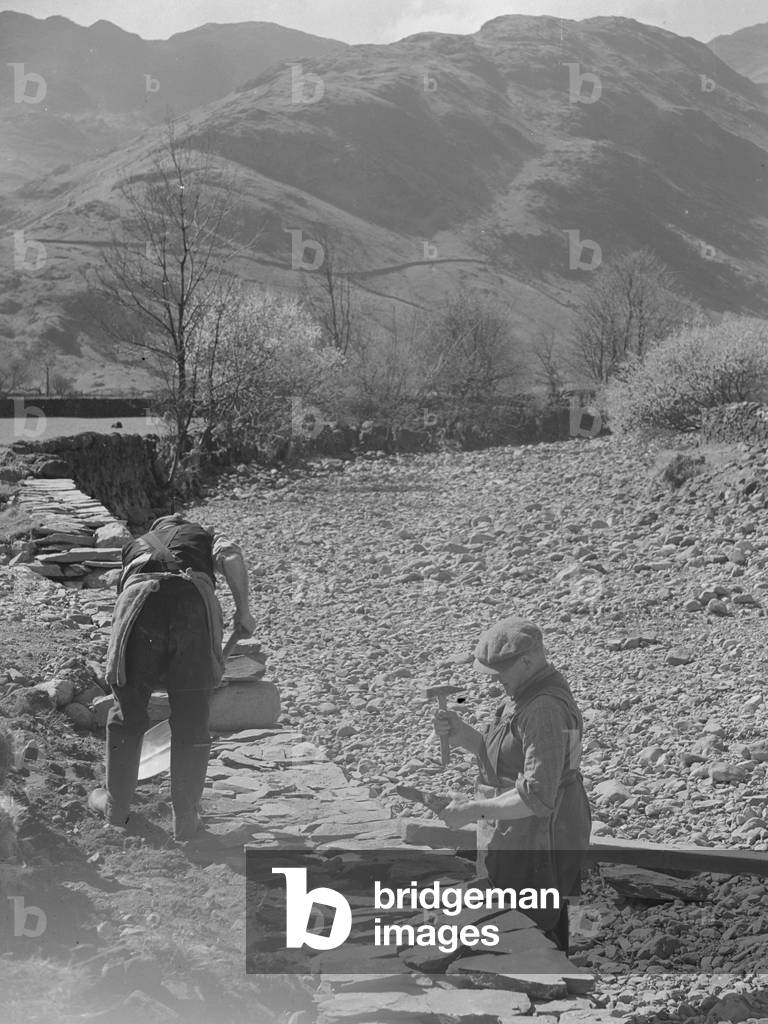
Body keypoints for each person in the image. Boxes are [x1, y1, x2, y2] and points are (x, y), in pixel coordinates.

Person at [88, 513, 256, 840]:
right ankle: (186, 819)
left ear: (156, 530)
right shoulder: (203, 535)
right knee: (192, 715)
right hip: (192, 605)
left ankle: (116, 808)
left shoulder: (133, 547)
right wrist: (243, 610)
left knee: (127, 711)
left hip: (138, 607)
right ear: (182, 526)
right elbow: (231, 556)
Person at [434, 616, 591, 952]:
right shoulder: (523, 692)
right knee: (522, 916)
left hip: (540, 837)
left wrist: (475, 809)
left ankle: (546, 981)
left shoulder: (544, 709)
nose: (495, 681)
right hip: (523, 830)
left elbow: (538, 795)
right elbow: (508, 756)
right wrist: (464, 735)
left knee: (532, 922)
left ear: (528, 661)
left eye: (500, 672)